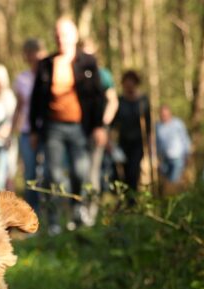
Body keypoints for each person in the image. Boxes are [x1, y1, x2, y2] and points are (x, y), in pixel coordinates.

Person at [29, 17, 106, 234]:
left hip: (80, 127)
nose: (60, 39)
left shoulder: (88, 62)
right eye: (57, 35)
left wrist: (99, 126)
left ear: (74, 37)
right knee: (53, 174)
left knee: (80, 172)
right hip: (53, 127)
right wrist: (34, 129)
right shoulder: (46, 64)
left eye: (64, 34)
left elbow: (98, 96)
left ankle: (76, 213)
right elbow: (36, 100)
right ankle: (53, 221)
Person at [80, 37, 118, 203]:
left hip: (97, 129)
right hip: (77, 128)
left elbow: (113, 101)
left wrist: (103, 123)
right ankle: (78, 208)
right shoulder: (75, 73)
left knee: (93, 170)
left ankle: (91, 210)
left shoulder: (104, 75)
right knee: (78, 169)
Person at [11, 38, 48, 214]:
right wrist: (11, 131)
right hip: (27, 132)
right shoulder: (22, 79)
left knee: (49, 173)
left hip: (48, 131)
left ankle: (51, 213)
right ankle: (32, 215)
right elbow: (19, 107)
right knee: (30, 174)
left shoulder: (50, 76)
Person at [112, 70, 151, 199]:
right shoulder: (120, 101)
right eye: (126, 83)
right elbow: (113, 123)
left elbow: (149, 124)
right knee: (120, 172)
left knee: (133, 171)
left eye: (131, 82)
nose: (129, 85)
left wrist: (149, 145)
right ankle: (122, 199)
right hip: (123, 143)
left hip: (138, 143)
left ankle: (132, 202)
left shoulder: (143, 101)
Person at [155, 104, 191, 184]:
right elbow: (156, 142)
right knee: (165, 181)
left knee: (173, 181)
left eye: (166, 114)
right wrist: (155, 156)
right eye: (162, 114)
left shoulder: (178, 124)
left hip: (177, 159)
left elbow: (185, 139)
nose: (164, 116)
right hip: (164, 159)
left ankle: (173, 194)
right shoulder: (157, 126)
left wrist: (188, 154)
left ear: (170, 113)